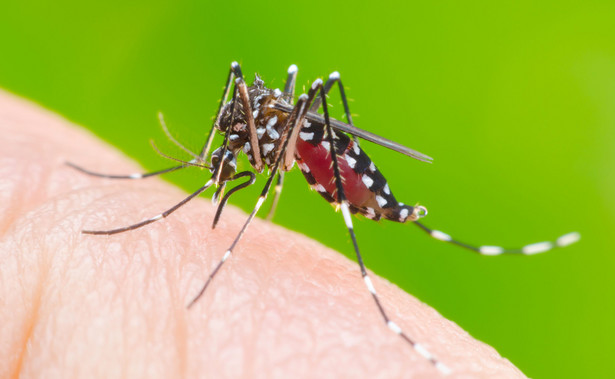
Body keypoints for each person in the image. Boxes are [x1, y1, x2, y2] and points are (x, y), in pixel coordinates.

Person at [0, 90, 525, 378]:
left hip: (323, 152)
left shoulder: (262, 130)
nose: (223, 176)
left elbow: (274, 127)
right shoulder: (246, 130)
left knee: (307, 102)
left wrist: (233, 237)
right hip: (298, 141)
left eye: (221, 167)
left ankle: (374, 283)